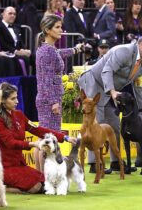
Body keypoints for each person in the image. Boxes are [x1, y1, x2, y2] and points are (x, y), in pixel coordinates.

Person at [77, 32, 142, 174]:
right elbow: (107, 70)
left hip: (109, 90)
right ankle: (94, 164)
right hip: (94, 83)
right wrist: (113, 91)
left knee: (115, 124)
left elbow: (138, 85)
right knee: (97, 124)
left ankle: (116, 161)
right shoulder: (123, 51)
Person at [0, 82, 77, 194]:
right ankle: (1, 188)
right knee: (36, 187)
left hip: (19, 165)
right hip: (3, 167)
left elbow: (39, 130)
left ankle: (9, 185)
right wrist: (32, 144)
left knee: (45, 182)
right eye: (13, 99)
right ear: (2, 100)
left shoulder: (19, 115)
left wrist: (64, 137)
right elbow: (10, 143)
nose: (17, 101)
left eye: (16, 98)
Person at [34, 14, 84, 171]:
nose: (61, 30)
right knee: (48, 139)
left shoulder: (48, 49)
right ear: (47, 30)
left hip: (47, 98)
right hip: (49, 100)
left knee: (45, 138)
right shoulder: (47, 51)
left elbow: (59, 54)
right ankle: (42, 177)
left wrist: (76, 50)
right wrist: (54, 102)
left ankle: (41, 176)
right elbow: (47, 79)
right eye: (57, 27)